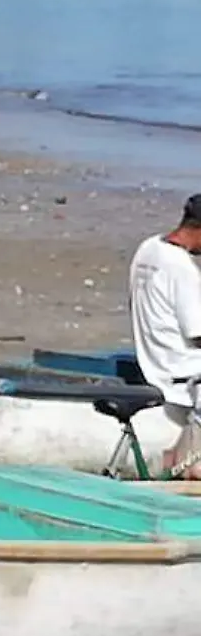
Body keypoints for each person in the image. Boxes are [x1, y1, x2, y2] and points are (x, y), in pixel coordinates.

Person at [130, 194, 201, 476]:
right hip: (181, 374)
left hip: (154, 360)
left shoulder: (149, 249)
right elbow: (198, 333)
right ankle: (188, 461)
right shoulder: (181, 269)